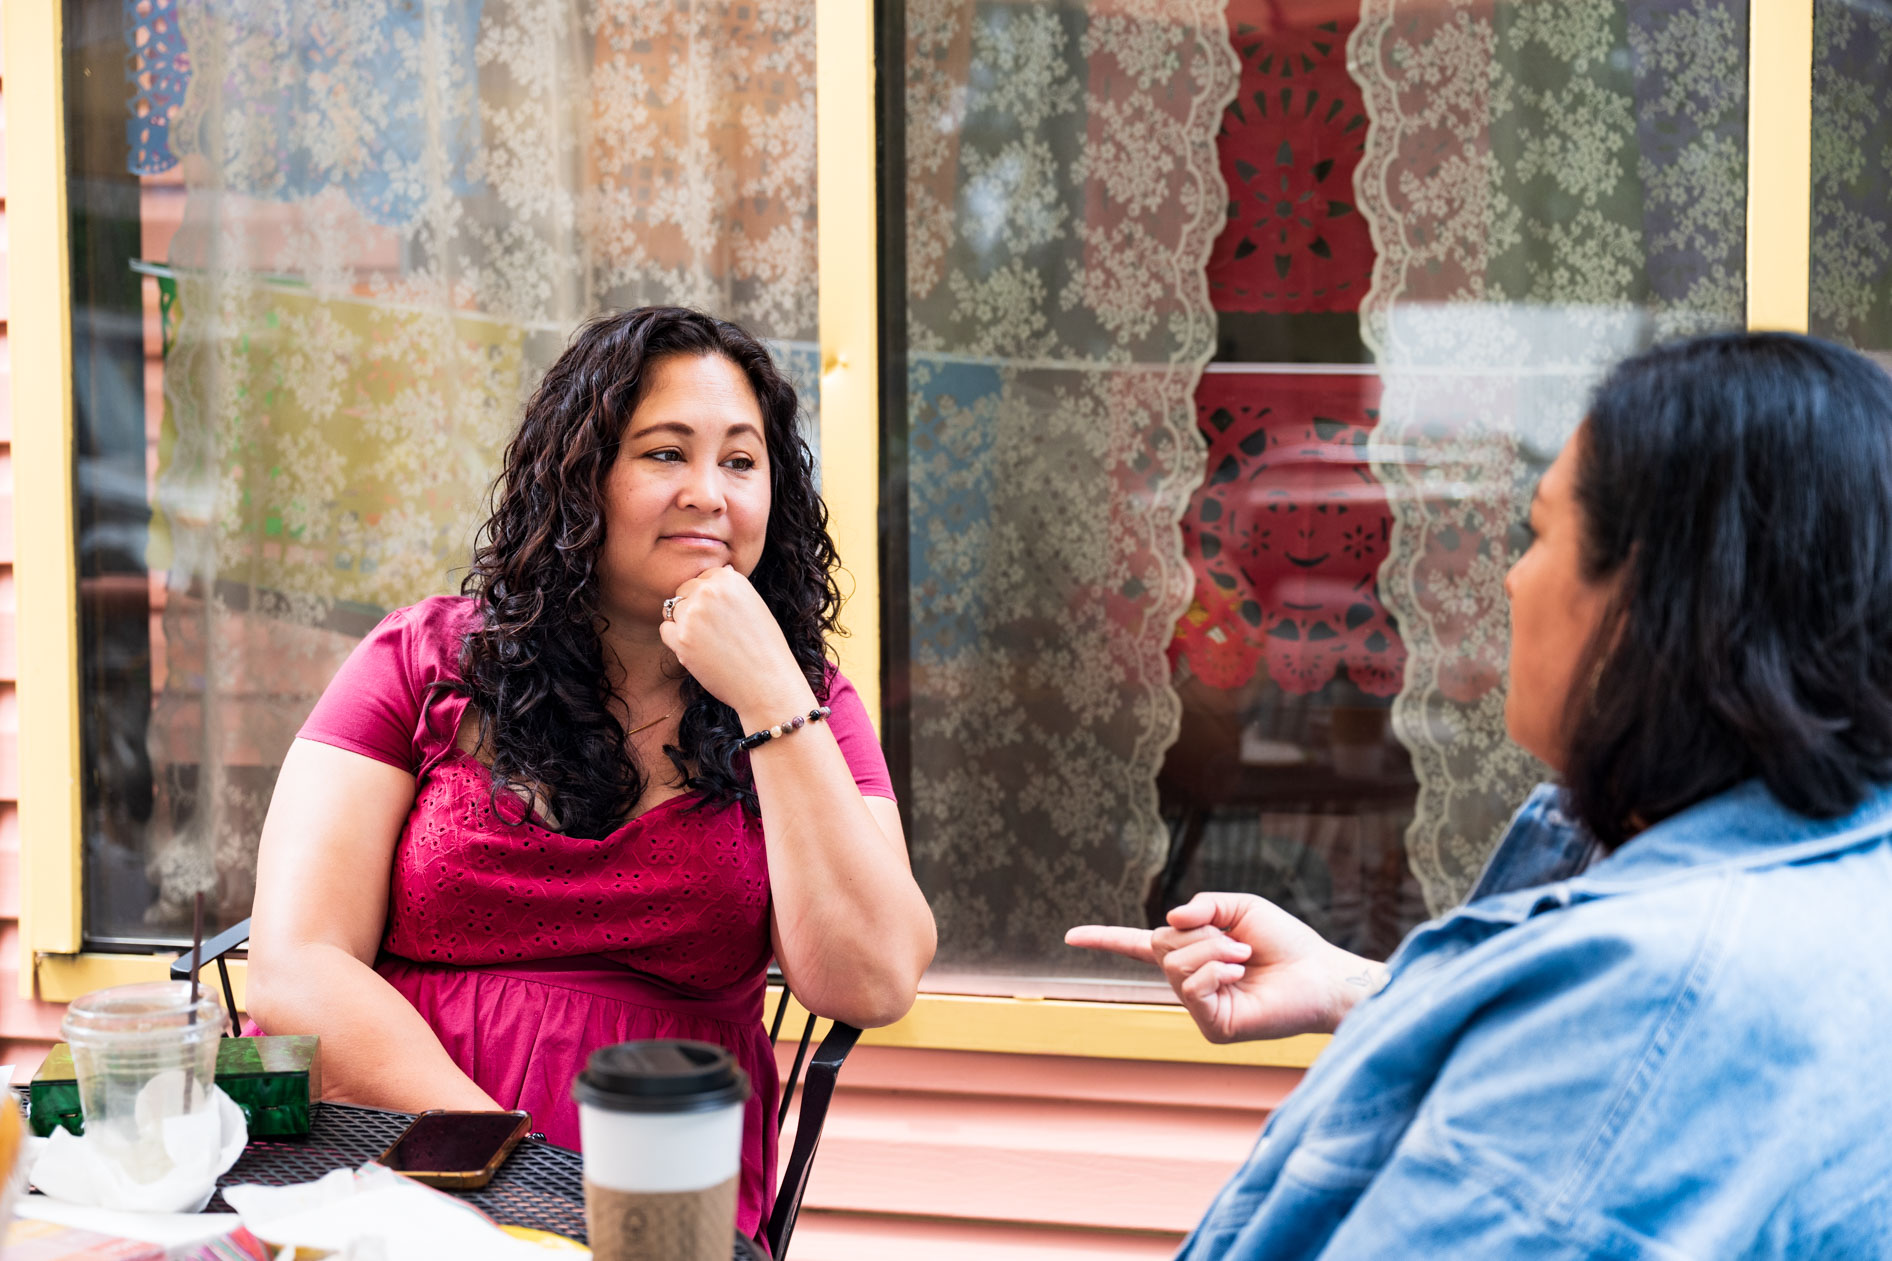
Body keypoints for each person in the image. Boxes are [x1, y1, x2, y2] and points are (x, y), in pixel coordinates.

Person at [1071, 331, 1892, 1258]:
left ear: (1651, 600)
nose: (1510, 576)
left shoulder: (1639, 1001)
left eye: (1539, 534)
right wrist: (1357, 988)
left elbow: (1603, 1087)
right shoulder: (1832, 868)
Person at [245, 306, 937, 1236]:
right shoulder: (422, 659)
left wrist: (773, 695)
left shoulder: (807, 704)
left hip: (658, 1178)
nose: (710, 493)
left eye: (741, 460)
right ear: (579, 478)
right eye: (664, 453)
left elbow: (875, 980)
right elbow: (297, 966)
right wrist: (506, 1162)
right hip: (399, 1141)